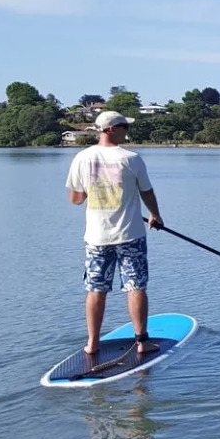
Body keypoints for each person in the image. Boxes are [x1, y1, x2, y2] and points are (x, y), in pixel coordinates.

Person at [66, 111, 164, 357]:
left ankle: (92, 344)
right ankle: (142, 342)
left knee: (96, 288)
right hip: (130, 234)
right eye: (123, 127)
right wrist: (155, 215)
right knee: (135, 286)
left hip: (97, 238)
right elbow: (147, 193)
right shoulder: (132, 158)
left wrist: (95, 189)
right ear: (109, 129)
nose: (126, 131)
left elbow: (76, 199)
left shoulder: (82, 158)